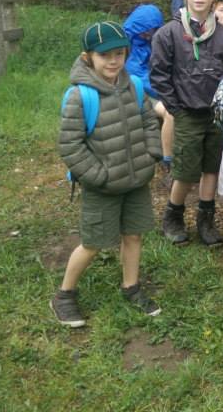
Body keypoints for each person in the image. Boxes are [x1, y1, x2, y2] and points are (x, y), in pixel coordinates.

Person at [52, 21, 162, 327]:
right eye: (105, 56)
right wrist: (99, 176)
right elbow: (70, 146)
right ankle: (64, 294)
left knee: (134, 234)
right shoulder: (79, 96)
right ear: (88, 57)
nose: (113, 61)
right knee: (93, 242)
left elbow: (149, 121)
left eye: (119, 53)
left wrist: (151, 154)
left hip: (136, 180)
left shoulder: (134, 85)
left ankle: (131, 286)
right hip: (102, 186)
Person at [151, 0, 223, 246]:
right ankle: (173, 216)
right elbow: (159, 75)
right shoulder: (169, 33)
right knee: (185, 171)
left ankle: (206, 219)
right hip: (186, 112)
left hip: (215, 115)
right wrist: (175, 108)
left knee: (211, 167)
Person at [123, 4, 174, 173]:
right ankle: (168, 159)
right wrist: (167, 90)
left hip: (160, 87)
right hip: (141, 92)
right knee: (171, 112)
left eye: (153, 29)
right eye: (146, 29)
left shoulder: (155, 40)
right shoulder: (127, 45)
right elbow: (138, 76)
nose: (149, 33)